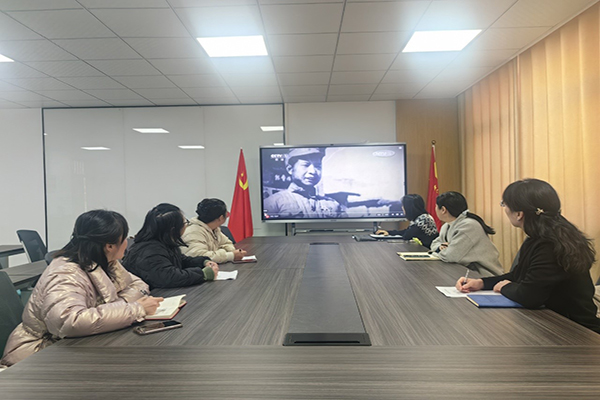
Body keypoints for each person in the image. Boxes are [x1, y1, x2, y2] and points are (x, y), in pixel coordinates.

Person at [1, 210, 163, 367]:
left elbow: (139, 285)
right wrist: (135, 309)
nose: (127, 241)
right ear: (109, 246)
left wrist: (120, 306)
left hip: (72, 345)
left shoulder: (106, 262)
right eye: (124, 237)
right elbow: (69, 321)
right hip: (37, 357)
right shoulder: (65, 273)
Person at [456, 179, 600, 333]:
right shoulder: (542, 235)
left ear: (519, 214)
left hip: (575, 329)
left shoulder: (550, 244)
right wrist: (482, 283)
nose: (504, 209)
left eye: (504, 204)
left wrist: (505, 287)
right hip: (552, 321)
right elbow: (518, 275)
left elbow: (529, 296)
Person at [122, 203, 219, 289]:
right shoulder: (149, 251)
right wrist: (203, 274)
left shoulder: (163, 242)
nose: (186, 226)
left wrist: (203, 262)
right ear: (173, 230)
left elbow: (181, 260)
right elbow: (169, 277)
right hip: (150, 297)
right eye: (184, 223)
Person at [430, 191, 503, 274]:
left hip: (482, 274)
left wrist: (439, 251)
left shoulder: (468, 226)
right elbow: (434, 243)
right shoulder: (447, 226)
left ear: (443, 210)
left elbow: (451, 256)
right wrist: (440, 247)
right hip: (463, 271)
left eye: (436, 206)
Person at [263, 148, 346, 218]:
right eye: (306, 165)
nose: (313, 171)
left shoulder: (333, 204)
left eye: (317, 166)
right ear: (290, 169)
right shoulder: (274, 202)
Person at [181, 198, 247, 263]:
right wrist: (230, 255)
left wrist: (217, 254)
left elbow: (227, 244)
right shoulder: (193, 232)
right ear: (221, 218)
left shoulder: (214, 228)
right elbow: (200, 257)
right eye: (227, 214)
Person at [375, 194, 439, 247]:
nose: (402, 208)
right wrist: (389, 232)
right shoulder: (422, 217)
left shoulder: (423, 220)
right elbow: (407, 231)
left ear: (409, 208)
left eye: (403, 206)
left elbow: (407, 236)